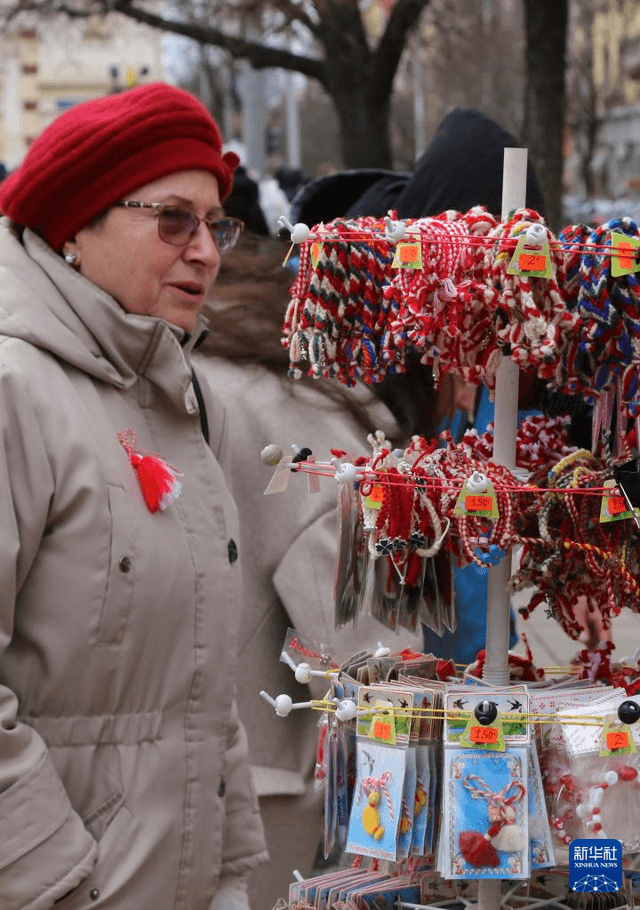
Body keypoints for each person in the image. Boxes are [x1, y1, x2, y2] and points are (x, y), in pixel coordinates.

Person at [0, 82, 267, 910]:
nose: (206, 251)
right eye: (173, 219)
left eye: (215, 224)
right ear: (77, 227)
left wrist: (228, 876)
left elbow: (201, 687)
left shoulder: (176, 398)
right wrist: (55, 884)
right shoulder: (15, 389)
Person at [289, 107, 593, 666]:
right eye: (474, 281)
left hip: (469, 660)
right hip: (368, 660)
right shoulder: (354, 330)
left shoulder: (503, 335)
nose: (490, 308)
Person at [195, 231, 423, 910]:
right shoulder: (304, 410)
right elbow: (362, 644)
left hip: (164, 769)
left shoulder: (171, 372)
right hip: (263, 784)